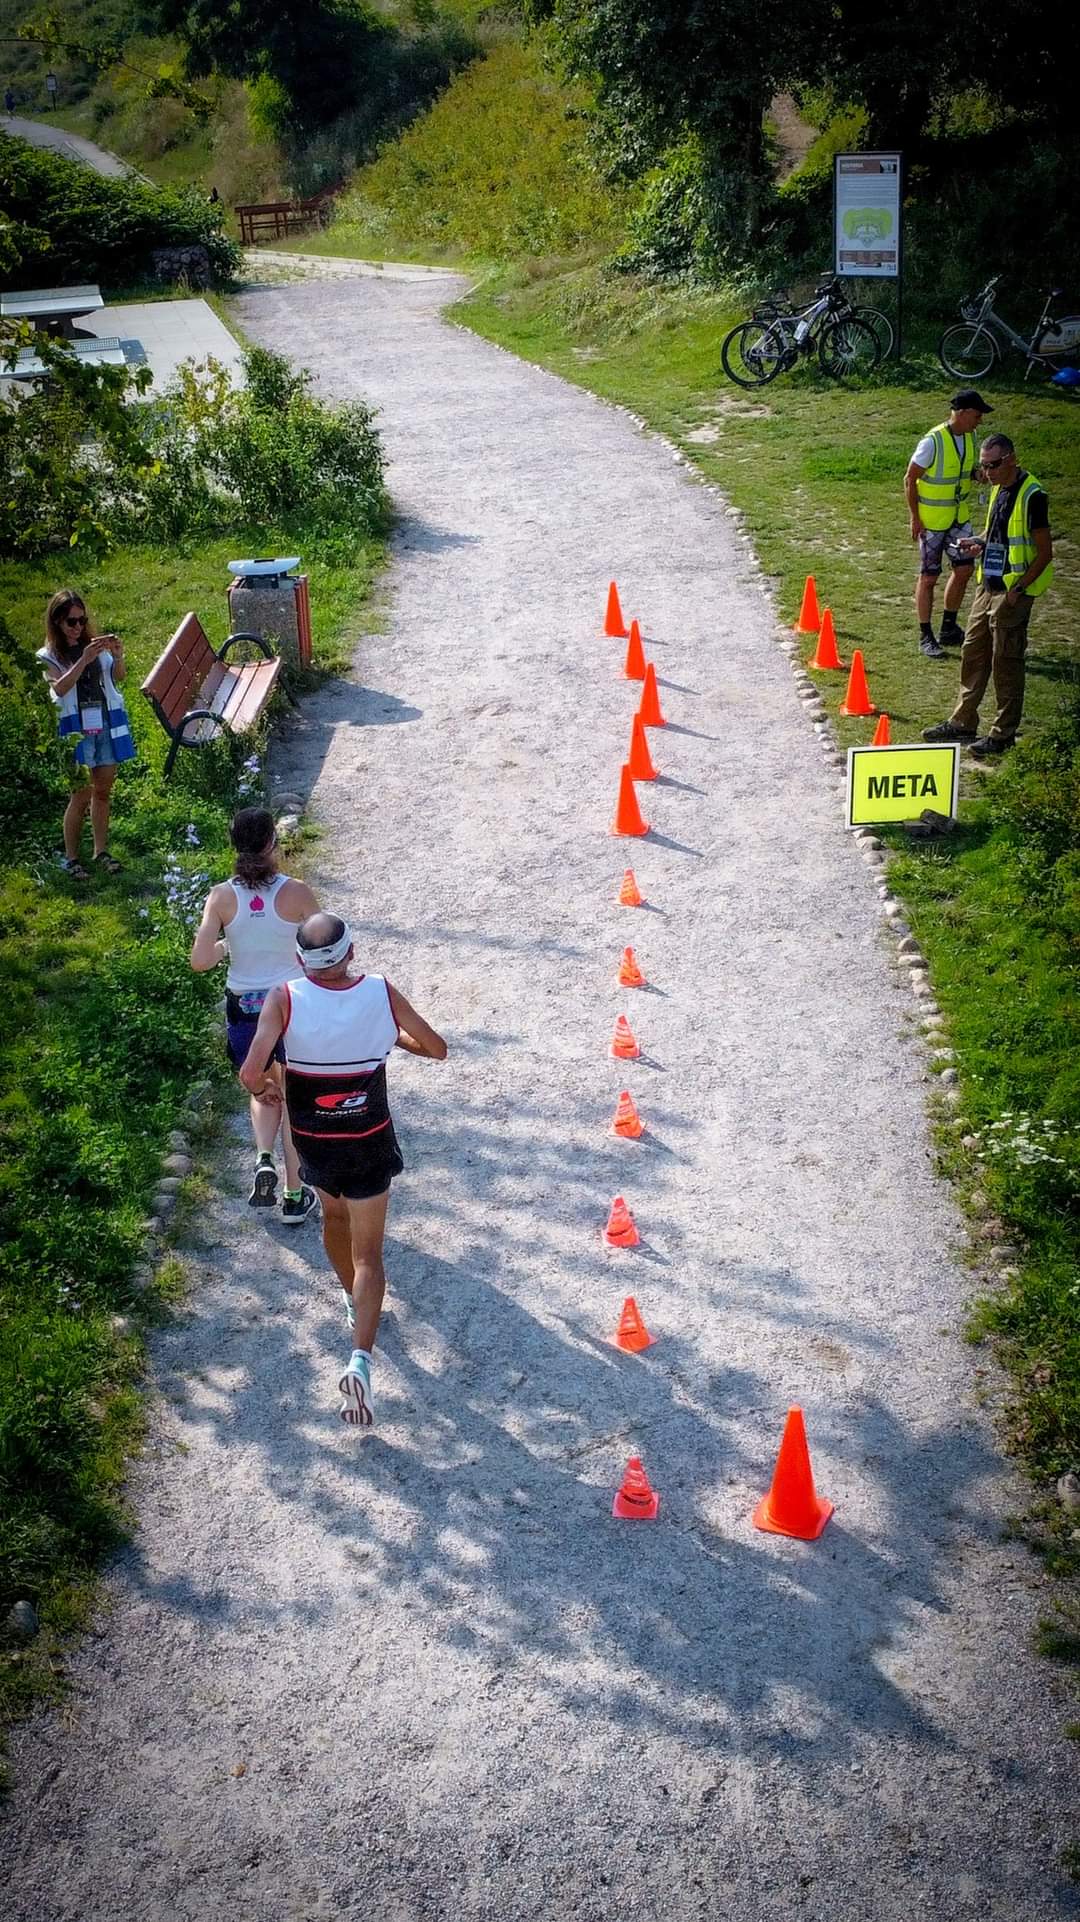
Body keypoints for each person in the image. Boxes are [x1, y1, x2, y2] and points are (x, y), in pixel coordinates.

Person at [239, 911, 447, 1431]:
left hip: (315, 1141)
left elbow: (250, 1072)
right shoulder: (380, 992)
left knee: (333, 1221)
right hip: (368, 1139)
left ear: (301, 961)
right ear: (351, 951)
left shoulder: (284, 998)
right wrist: (391, 1039)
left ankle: (353, 1304)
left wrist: (266, 1088)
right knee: (370, 1255)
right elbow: (437, 1049)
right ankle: (361, 1361)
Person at [190, 808, 320, 1223]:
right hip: (291, 1003)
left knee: (262, 1090)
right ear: (272, 844)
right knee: (294, 1099)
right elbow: (320, 949)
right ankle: (294, 1195)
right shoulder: (297, 892)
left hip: (245, 1009)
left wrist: (227, 946)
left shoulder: (220, 897)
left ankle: (264, 1157)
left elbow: (199, 961)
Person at [923, 433, 1053, 758]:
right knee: (973, 652)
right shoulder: (998, 487)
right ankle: (963, 721)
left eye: (993, 465)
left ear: (1011, 459)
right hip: (987, 585)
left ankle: (1002, 733)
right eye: (983, 466)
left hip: (1012, 592)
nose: (988, 472)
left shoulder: (1033, 494)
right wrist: (978, 543)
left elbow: (1044, 552)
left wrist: (1018, 590)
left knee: (1006, 661)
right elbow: (997, 533)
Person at [37, 588, 137, 878]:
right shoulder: (48, 656)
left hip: (105, 722)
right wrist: (83, 659)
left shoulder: (94, 645)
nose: (78, 627)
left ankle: (100, 850)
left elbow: (118, 678)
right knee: (81, 794)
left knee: (103, 791)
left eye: (82, 620)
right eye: (71, 622)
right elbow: (58, 688)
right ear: (56, 622)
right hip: (75, 729)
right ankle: (70, 857)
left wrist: (117, 656)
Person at [905, 390, 994, 659]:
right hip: (932, 522)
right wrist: (915, 517)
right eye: (977, 415)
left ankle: (948, 627)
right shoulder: (932, 441)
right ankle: (925, 634)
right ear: (964, 412)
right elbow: (910, 479)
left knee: (965, 569)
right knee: (929, 577)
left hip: (958, 518)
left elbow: (961, 469)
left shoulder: (970, 437)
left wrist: (977, 475)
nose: (979, 421)